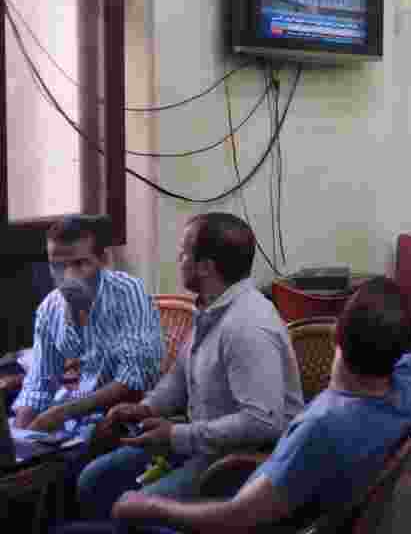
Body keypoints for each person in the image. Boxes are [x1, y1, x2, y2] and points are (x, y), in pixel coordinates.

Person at [60, 277, 411, 534]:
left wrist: (146, 505)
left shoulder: (322, 428)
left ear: (338, 340)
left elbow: (235, 518)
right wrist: (410, 362)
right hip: (291, 493)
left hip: (267, 517)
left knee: (88, 519)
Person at [76, 212, 305, 519]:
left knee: (136, 510)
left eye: (184, 253)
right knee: (93, 480)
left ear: (206, 267)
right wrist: (145, 408)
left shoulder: (247, 325)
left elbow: (263, 422)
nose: (178, 259)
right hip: (201, 445)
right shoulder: (211, 307)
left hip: (238, 463)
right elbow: (179, 379)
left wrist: (176, 435)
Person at [12, 215, 162, 434]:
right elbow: (39, 384)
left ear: (103, 260)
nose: (68, 276)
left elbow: (133, 378)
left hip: (134, 415)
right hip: (81, 415)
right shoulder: (49, 308)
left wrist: (63, 412)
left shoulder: (128, 292)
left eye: (80, 263)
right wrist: (19, 438)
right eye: (58, 266)